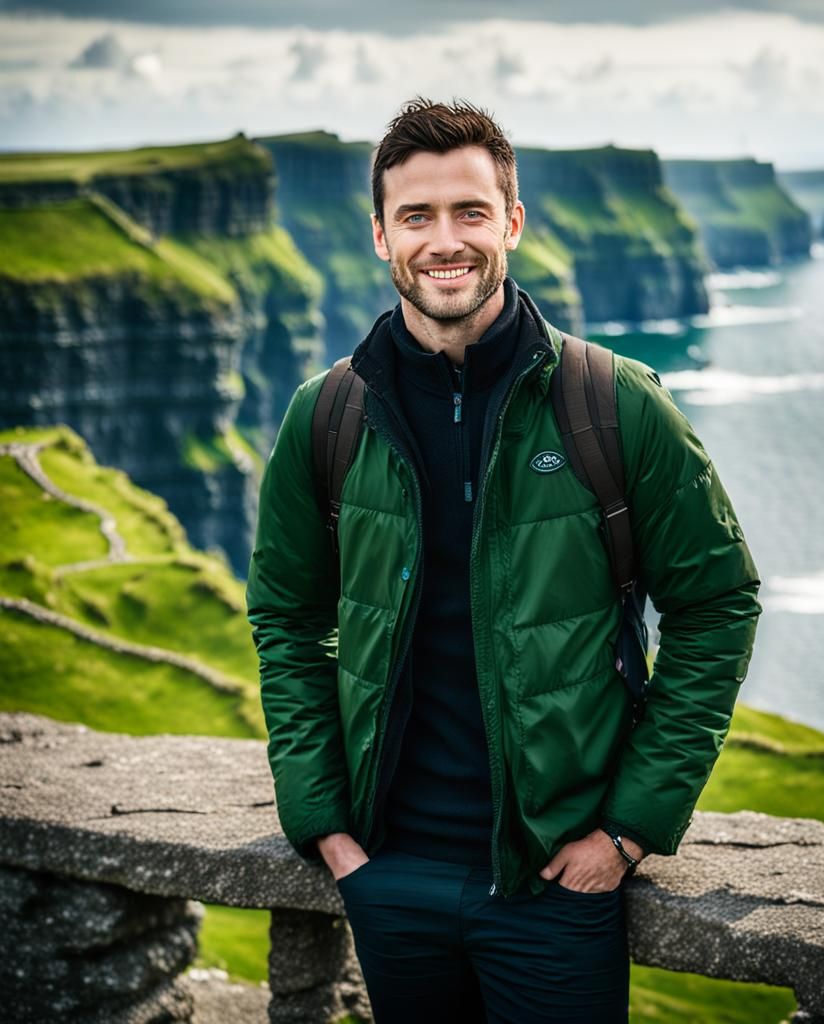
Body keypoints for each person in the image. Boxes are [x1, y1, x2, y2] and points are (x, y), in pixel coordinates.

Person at [246, 98, 762, 1023]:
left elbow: (719, 603)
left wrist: (628, 832)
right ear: (380, 236)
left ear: (512, 223)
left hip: (555, 887)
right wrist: (323, 823)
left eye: (470, 212)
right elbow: (286, 616)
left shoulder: (616, 404)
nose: (445, 241)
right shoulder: (324, 417)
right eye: (417, 216)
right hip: (388, 875)